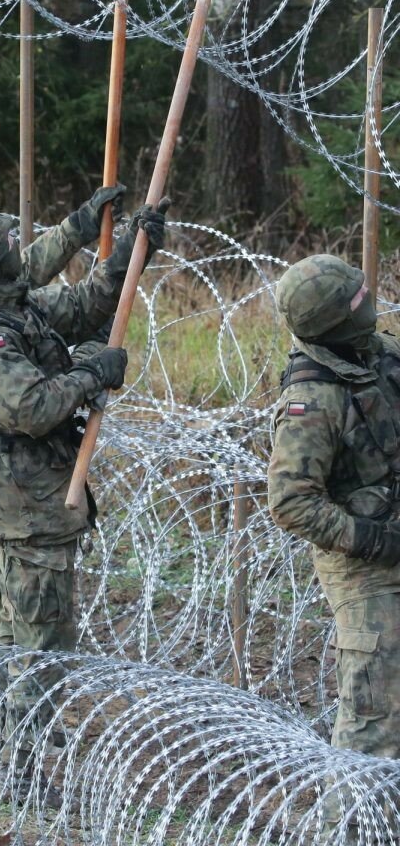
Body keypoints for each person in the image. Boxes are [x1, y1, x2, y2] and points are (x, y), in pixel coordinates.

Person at [0, 195, 169, 802]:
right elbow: (32, 407)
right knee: (42, 645)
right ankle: (21, 769)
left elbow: (87, 306)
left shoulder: (14, 307)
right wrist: (93, 373)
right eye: (11, 240)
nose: (21, 245)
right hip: (24, 510)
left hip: (16, 503)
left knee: (9, 634)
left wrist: (128, 256)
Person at [268, 254, 400, 831]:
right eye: (357, 298)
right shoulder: (312, 400)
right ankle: (348, 829)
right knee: (374, 715)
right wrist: (372, 541)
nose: (368, 299)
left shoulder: (379, 355)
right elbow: (291, 501)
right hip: (366, 568)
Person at [0, 183, 127, 478]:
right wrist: (93, 363)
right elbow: (37, 407)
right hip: (16, 494)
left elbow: (34, 274)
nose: (14, 247)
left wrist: (83, 225)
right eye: (7, 243)